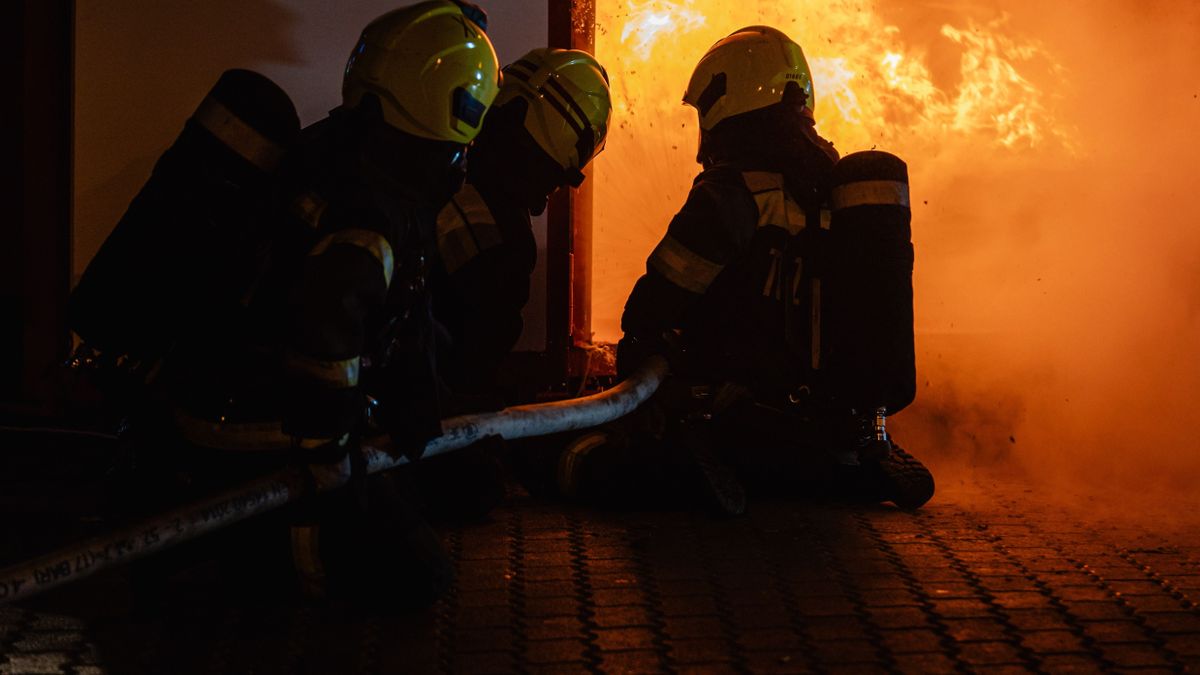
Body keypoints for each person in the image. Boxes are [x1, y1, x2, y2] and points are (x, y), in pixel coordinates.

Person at [71, 1, 502, 607]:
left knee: (466, 480)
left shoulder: (336, 149)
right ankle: (246, 549)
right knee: (417, 574)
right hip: (272, 431)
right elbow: (325, 341)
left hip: (214, 401)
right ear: (456, 108)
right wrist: (332, 467)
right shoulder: (375, 210)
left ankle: (192, 507)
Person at [555, 26, 934, 513]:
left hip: (739, 417)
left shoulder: (731, 191)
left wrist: (638, 361)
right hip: (823, 424)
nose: (700, 143)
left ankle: (685, 466)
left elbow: (659, 300)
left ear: (728, 96)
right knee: (807, 462)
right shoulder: (833, 188)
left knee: (594, 461)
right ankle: (852, 465)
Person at [416, 48, 612, 521]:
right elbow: (471, 368)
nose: (548, 198)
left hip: (341, 382)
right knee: (473, 488)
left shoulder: (432, 146)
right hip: (386, 403)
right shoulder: (499, 243)